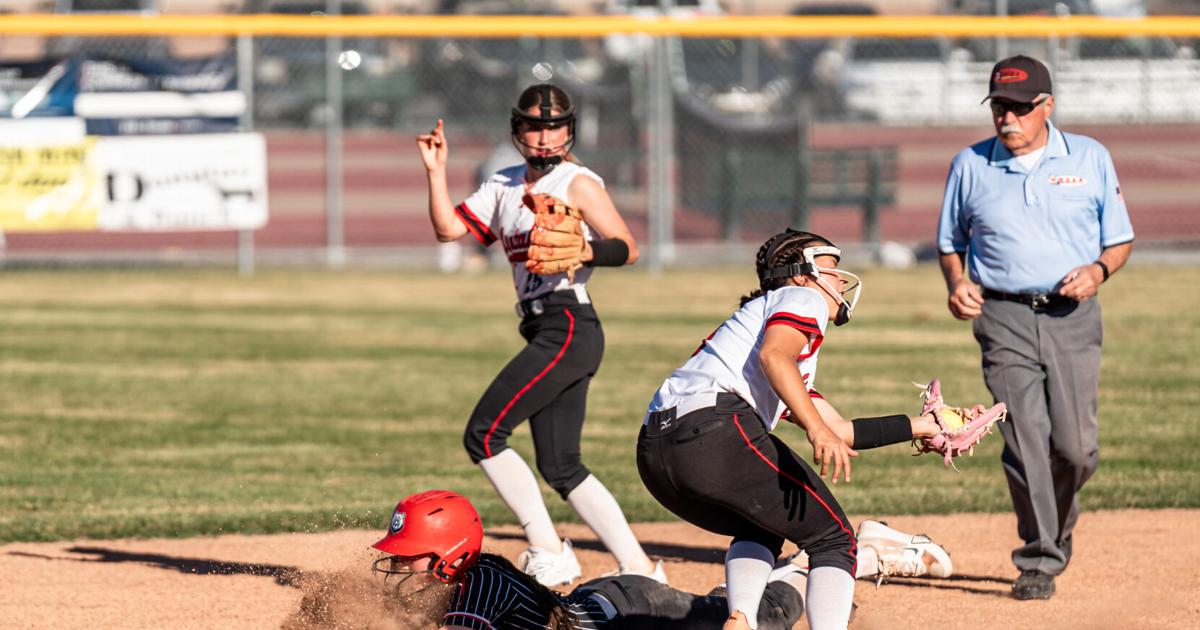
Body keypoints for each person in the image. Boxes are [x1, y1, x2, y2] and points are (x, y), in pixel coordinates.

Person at [636, 229, 986, 630]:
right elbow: (776, 357)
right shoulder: (801, 298)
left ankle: (741, 620)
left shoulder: (759, 337)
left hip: (656, 452)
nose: (840, 280)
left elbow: (838, 428)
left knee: (763, 525)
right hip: (713, 427)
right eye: (831, 268)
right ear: (801, 274)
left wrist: (924, 426)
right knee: (834, 540)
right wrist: (817, 431)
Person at [416, 83, 657, 587]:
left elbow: (629, 247)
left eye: (555, 126)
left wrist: (587, 253)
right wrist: (436, 173)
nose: (546, 137)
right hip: (545, 327)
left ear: (570, 130)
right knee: (562, 464)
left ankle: (547, 547)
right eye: (535, 126)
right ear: (517, 131)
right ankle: (638, 566)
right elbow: (447, 231)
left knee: (484, 434)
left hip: (569, 324)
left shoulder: (578, 181)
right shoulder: (502, 185)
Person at [935, 55, 1134, 601]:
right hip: (1002, 318)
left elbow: (1119, 240)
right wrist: (957, 283)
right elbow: (951, 242)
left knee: (1074, 449)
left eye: (1021, 108)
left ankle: (1058, 524)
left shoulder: (1090, 157)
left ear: (1047, 106)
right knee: (1024, 442)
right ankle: (1039, 557)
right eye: (1000, 106)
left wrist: (1098, 271)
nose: (1009, 118)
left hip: (1071, 318)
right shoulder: (970, 165)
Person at [368, 490, 954, 629]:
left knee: (756, 619)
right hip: (607, 601)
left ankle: (838, 555)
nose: (399, 568)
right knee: (718, 607)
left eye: (408, 557)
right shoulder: (470, 584)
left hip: (633, 612)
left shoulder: (479, 596)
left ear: (448, 558)